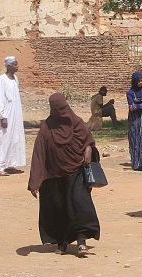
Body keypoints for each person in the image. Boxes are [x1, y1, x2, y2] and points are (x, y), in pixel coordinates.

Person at [28, 93, 100, 257]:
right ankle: (62, 242)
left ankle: (82, 241)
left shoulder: (76, 122)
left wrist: (88, 150)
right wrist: (35, 181)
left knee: (79, 204)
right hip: (55, 175)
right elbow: (39, 153)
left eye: (63, 108)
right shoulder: (47, 127)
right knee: (59, 208)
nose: (61, 112)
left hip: (76, 171)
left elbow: (88, 140)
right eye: (57, 109)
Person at [0, 56, 26, 176]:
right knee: (4, 138)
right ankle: (0, 167)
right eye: (14, 64)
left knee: (15, 138)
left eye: (17, 64)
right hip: (6, 114)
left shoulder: (15, 79)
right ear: (8, 66)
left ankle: (11, 164)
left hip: (15, 113)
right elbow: (0, 98)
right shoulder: (2, 79)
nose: (17, 66)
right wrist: (2, 116)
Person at [127, 72, 142, 171]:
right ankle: (136, 163)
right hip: (134, 121)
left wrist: (137, 106)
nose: (141, 82)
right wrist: (138, 105)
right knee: (135, 140)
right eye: (139, 81)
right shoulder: (130, 92)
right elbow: (131, 106)